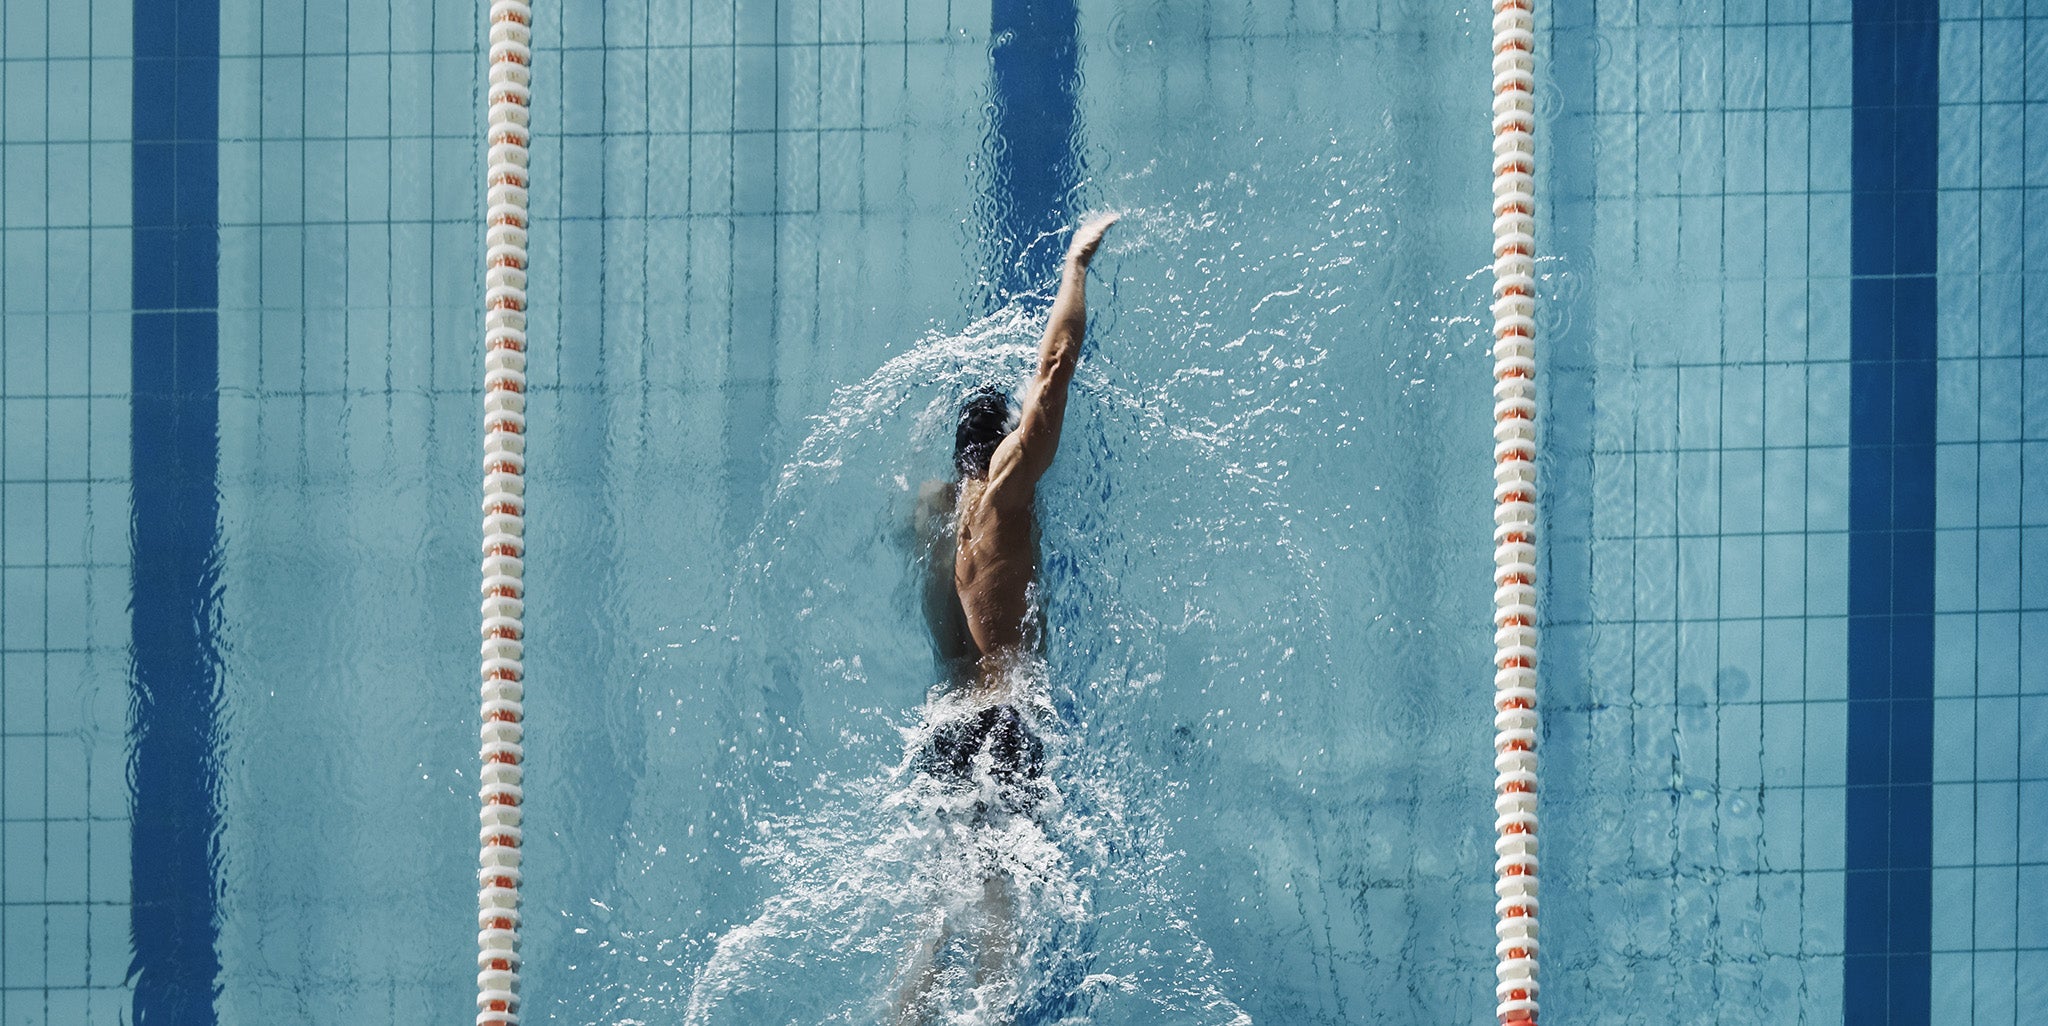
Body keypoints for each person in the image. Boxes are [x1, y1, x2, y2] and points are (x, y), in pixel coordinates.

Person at [895, 212, 1118, 1024]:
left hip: (944, 727)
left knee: (935, 921)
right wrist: (1076, 265)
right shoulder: (1003, 502)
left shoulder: (941, 522)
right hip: (1006, 721)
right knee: (999, 939)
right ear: (995, 455)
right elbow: (1054, 372)